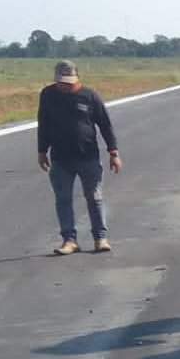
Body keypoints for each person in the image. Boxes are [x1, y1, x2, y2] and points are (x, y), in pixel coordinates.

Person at [37, 60, 122, 255]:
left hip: (88, 157)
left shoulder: (90, 96)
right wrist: (42, 151)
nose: (64, 86)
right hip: (60, 159)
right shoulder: (48, 95)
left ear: (77, 79)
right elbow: (43, 123)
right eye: (61, 82)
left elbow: (105, 125)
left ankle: (100, 238)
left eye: (68, 82)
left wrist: (113, 153)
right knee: (63, 199)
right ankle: (69, 240)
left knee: (94, 198)